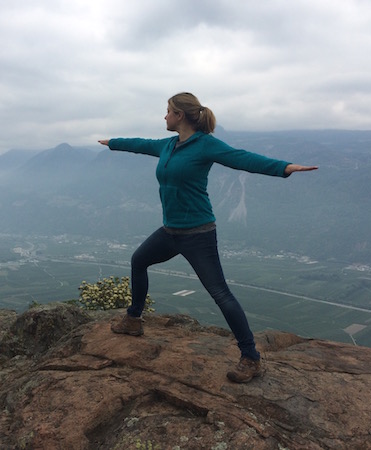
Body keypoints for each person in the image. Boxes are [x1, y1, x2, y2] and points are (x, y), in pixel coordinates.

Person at [98, 92, 317, 383]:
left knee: (220, 293)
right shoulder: (169, 145)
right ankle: (133, 320)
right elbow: (141, 145)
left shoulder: (206, 146)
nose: (164, 116)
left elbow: (243, 159)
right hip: (170, 231)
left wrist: (283, 168)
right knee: (138, 261)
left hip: (198, 234)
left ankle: (251, 357)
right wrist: (113, 143)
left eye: (168, 111)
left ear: (180, 116)